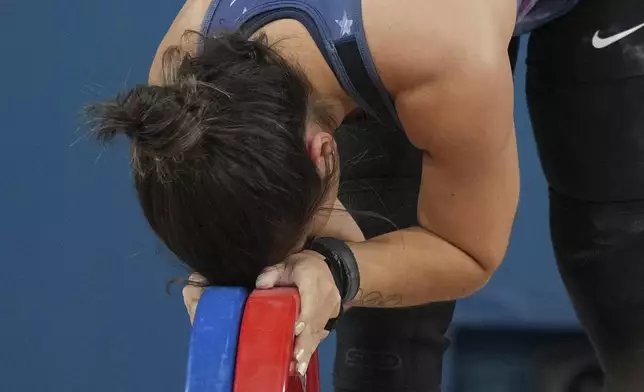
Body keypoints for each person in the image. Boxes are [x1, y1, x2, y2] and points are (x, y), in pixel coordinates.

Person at [86, 0, 644, 391]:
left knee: (622, 272)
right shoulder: (177, 83)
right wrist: (225, 265)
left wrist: (340, 270)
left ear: (324, 152)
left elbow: (469, 251)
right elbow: (210, 195)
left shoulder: (441, 56)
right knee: (383, 347)